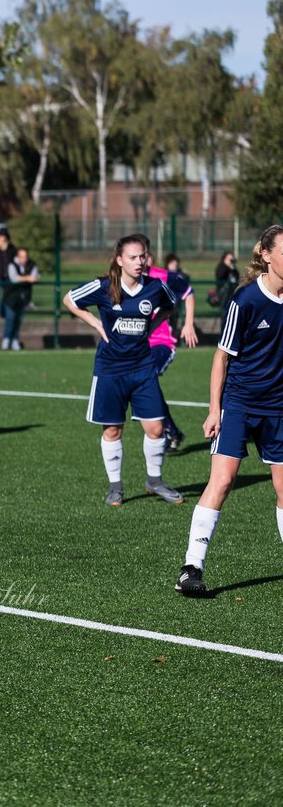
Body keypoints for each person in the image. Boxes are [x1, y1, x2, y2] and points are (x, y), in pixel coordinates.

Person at [175, 225, 283, 596]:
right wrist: (214, 410)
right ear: (266, 256)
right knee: (222, 481)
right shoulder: (245, 301)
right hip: (239, 402)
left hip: (279, 408)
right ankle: (191, 568)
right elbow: (221, 358)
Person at [62, 234, 181, 507]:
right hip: (110, 370)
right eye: (133, 257)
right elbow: (70, 299)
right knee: (113, 430)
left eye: (143, 256)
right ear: (119, 260)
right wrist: (93, 321)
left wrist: (152, 327)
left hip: (142, 368)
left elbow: (170, 306)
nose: (140, 262)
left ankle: (155, 481)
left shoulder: (155, 288)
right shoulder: (104, 287)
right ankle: (115, 487)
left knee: (155, 428)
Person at [146, 251, 198, 450]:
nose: (140, 260)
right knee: (145, 384)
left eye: (143, 255)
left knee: (147, 377)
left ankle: (167, 431)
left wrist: (189, 323)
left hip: (161, 342)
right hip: (138, 345)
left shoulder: (162, 276)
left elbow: (188, 292)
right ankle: (172, 431)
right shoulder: (122, 279)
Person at [1, 248, 40, 350]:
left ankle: (15, 340)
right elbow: (14, 278)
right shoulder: (12, 265)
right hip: (11, 297)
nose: (24, 259)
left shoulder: (31, 265)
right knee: (10, 318)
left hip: (23, 298)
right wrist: (27, 278)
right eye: (22, 257)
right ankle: (6, 339)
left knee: (19, 319)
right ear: (18, 257)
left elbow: (35, 276)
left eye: (26, 256)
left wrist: (26, 278)